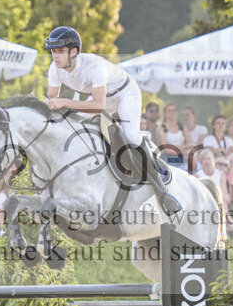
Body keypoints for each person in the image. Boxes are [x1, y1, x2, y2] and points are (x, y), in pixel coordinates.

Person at [42, 25, 181, 215]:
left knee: (131, 136)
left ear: (74, 51)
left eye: (60, 51)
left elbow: (98, 106)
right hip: (102, 97)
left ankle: (162, 192)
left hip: (124, 93)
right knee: (72, 124)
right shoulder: (55, 69)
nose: (55, 56)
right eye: (53, 51)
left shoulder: (94, 67)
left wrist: (64, 102)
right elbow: (51, 101)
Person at [156, 102, 184, 166]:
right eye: (169, 111)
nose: (172, 113)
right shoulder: (162, 128)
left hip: (182, 158)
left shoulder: (181, 127)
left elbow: (190, 144)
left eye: (174, 110)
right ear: (165, 113)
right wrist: (182, 148)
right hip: (168, 159)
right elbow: (166, 150)